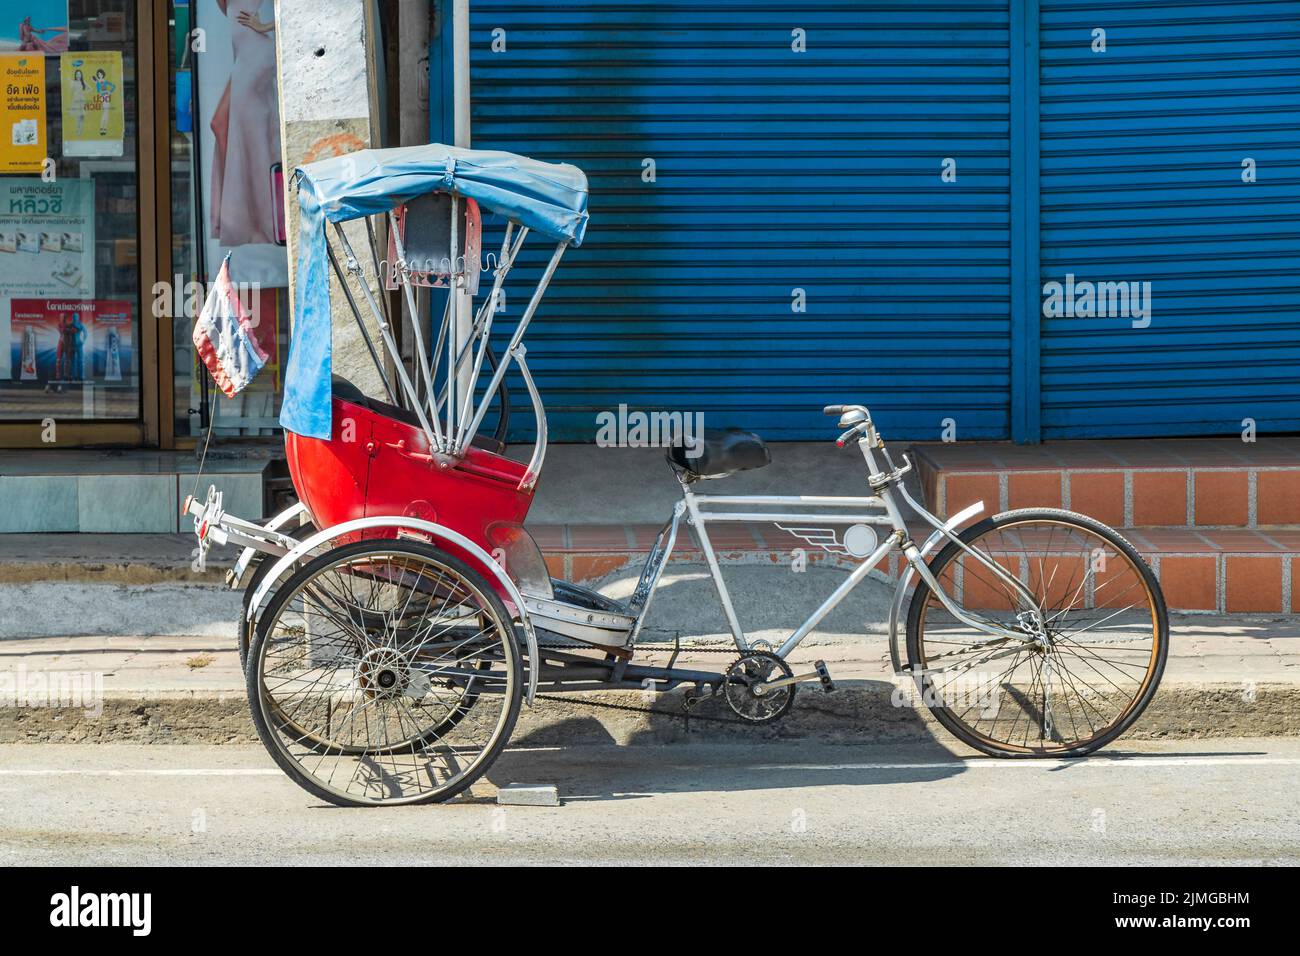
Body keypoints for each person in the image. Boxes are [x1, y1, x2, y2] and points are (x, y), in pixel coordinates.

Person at [209, 1, 280, 246]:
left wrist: (269, 25)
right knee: (219, 124)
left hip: (259, 57)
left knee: (252, 133)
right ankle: (239, 218)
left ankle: (264, 223)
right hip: (246, 58)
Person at [93, 68, 116, 135]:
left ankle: (104, 128)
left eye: (101, 74)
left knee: (107, 112)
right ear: (97, 75)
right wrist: (106, 91)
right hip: (103, 98)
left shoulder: (105, 82)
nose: (100, 75)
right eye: (99, 74)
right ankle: (101, 128)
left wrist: (110, 92)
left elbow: (113, 86)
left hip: (107, 97)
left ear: (103, 74)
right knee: (105, 112)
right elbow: (99, 92)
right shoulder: (98, 83)